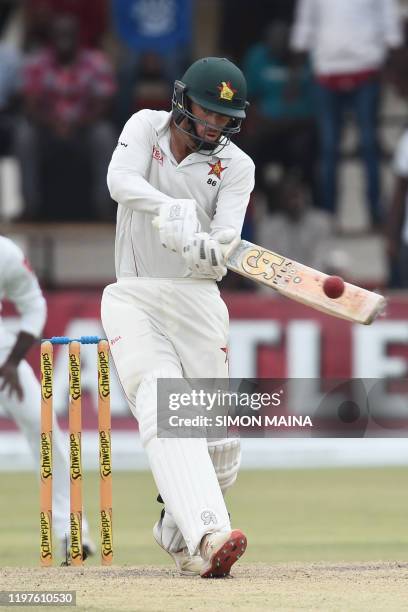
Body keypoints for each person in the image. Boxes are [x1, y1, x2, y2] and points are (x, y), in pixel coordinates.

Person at [101, 57, 255, 577]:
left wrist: (211, 250)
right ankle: (210, 535)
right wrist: (166, 207)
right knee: (163, 399)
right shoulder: (146, 127)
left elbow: (228, 232)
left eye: (223, 118)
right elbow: (119, 181)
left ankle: (176, 531)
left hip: (198, 300)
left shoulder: (238, 166)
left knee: (219, 444)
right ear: (183, 100)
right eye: (206, 112)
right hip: (135, 294)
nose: (212, 125)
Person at [0, 236, 95, 560]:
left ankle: (71, 532)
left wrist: (12, 362)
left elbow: (33, 304)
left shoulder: (5, 254)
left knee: (45, 432)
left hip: (1, 356)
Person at [290, 0, 403, 226]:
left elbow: (388, 15)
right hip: (327, 71)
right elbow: (305, 23)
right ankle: (329, 214)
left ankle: (375, 211)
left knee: (369, 144)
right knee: (329, 146)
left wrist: (393, 51)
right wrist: (297, 64)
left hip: (366, 68)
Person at [16, 14, 116, 221]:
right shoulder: (37, 63)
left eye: (69, 34)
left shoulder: (96, 62)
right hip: (46, 130)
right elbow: (30, 106)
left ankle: (105, 208)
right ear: (51, 38)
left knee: (104, 134)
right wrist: (55, 124)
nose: (64, 39)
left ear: (78, 36)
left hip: (84, 130)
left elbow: (104, 105)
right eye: (59, 34)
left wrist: (75, 124)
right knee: (24, 135)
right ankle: (29, 207)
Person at [242, 21, 317, 197]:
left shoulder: (305, 59)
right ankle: (259, 196)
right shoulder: (257, 57)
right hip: (267, 126)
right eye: (274, 42)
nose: (278, 46)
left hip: (298, 127)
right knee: (248, 147)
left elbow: (313, 104)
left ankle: (305, 196)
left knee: (306, 148)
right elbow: (249, 99)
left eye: (283, 42)